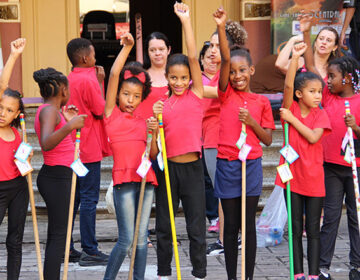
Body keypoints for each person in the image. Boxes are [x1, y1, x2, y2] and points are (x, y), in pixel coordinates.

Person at [213, 7, 275, 280]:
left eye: (242, 70)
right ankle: (231, 276)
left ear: (251, 70)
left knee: (248, 225)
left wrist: (251, 122)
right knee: (231, 227)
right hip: (227, 165)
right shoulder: (224, 94)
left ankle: (248, 276)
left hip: (251, 165)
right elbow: (225, 61)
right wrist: (221, 27)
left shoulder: (261, 102)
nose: (237, 76)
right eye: (233, 71)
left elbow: (268, 138)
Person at [152, 3, 212, 279]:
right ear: (166, 77)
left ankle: (199, 272)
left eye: (184, 78)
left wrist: (185, 21)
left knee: (196, 227)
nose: (179, 82)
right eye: (173, 78)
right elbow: (155, 144)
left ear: (191, 78)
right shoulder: (162, 104)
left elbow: (190, 54)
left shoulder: (196, 95)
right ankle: (164, 272)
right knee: (164, 226)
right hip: (167, 170)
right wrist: (154, 124)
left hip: (193, 170)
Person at [102, 32, 158, 280]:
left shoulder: (143, 121)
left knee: (143, 239)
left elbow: (152, 154)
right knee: (126, 240)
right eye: (126, 94)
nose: (131, 100)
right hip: (123, 182)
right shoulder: (110, 113)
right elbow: (114, 75)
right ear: (117, 94)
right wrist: (126, 48)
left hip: (146, 181)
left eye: (136, 96)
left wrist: (154, 135)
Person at [275, 42, 331, 280]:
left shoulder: (321, 114)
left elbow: (312, 137)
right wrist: (295, 57)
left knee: (313, 231)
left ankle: (313, 274)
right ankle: (298, 273)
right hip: (293, 177)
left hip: (315, 179)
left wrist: (291, 120)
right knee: (296, 228)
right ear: (299, 94)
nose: (317, 96)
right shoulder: (292, 107)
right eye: (312, 91)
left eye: (319, 91)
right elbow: (288, 84)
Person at [33, 67, 86, 279]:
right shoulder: (47, 111)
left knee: (58, 234)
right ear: (62, 89)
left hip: (61, 175)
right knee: (59, 236)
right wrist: (70, 125)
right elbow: (46, 143)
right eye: (69, 89)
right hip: (56, 177)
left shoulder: (54, 112)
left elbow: (64, 144)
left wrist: (67, 120)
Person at [204, 21, 248, 256]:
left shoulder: (229, 79)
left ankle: (230, 239)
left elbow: (201, 93)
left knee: (226, 192)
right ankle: (224, 239)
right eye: (209, 46)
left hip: (220, 140)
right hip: (209, 139)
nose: (212, 50)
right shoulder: (214, 78)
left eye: (216, 45)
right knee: (222, 192)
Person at [65, 38, 109, 265]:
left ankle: (67, 248)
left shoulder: (68, 79)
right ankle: (90, 250)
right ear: (84, 58)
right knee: (90, 199)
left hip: (72, 146)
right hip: (88, 147)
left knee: (74, 198)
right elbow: (101, 110)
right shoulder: (89, 79)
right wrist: (101, 82)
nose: (95, 59)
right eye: (92, 55)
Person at [0, 38, 28, 280]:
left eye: (9, 110)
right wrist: (13, 56)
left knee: (15, 239)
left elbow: (21, 165)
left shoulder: (19, 135)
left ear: (17, 114)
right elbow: (2, 85)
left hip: (18, 188)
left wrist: (26, 162)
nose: (3, 113)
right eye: (1, 107)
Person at [275, 26, 340, 81]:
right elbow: (280, 65)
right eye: (321, 39)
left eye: (328, 40)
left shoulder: (334, 68)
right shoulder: (300, 61)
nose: (324, 42)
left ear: (334, 47)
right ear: (315, 43)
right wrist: (293, 40)